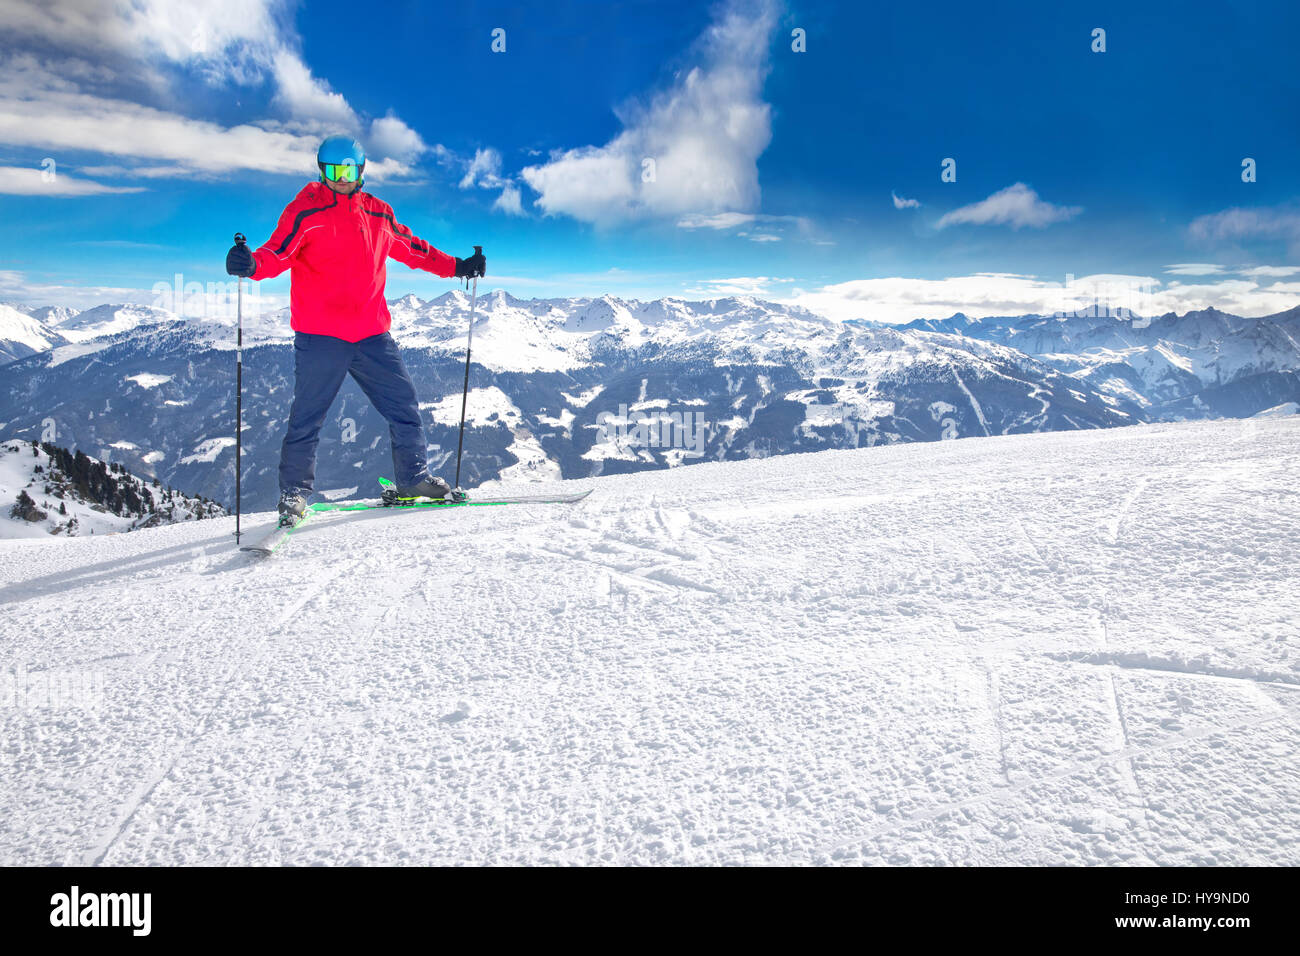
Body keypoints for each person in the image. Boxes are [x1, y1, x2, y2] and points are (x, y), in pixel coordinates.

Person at [225, 134, 485, 522]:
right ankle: (294, 494)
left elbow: (414, 249)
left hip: (371, 333)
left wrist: (457, 267)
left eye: (347, 169)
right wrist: (251, 265)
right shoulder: (304, 212)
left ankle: (413, 479)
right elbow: (277, 252)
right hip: (320, 335)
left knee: (404, 405)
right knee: (308, 416)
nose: (339, 177)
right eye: (331, 170)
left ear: (360, 170)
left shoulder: (379, 214)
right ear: (321, 170)